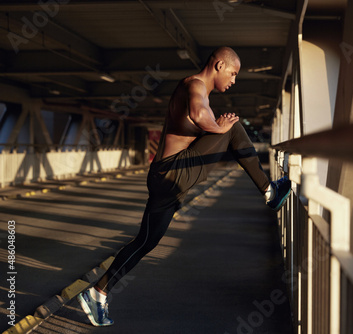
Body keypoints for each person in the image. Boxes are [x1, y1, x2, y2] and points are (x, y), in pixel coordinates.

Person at [77, 46, 291, 326]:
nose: (234, 80)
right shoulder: (194, 85)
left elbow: (201, 115)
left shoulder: (198, 88)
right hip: (172, 173)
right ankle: (269, 192)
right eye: (233, 73)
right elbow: (198, 112)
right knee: (234, 128)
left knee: (145, 242)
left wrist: (216, 128)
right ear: (218, 66)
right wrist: (218, 128)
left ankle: (97, 293)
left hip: (166, 179)